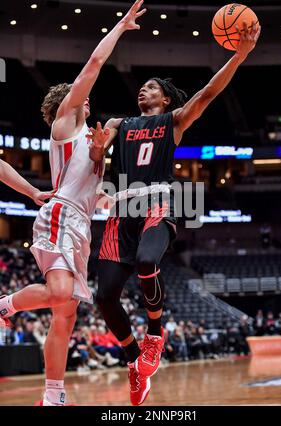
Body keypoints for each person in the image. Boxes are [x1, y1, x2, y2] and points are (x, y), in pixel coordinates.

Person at [88, 21, 261, 405]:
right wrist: (98, 151)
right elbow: (97, 159)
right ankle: (136, 364)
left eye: (150, 87)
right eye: (142, 87)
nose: (142, 90)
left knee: (149, 261)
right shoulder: (119, 123)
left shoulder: (174, 121)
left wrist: (240, 54)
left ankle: (155, 334)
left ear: (165, 100)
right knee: (105, 298)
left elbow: (209, 92)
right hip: (120, 209)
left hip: (157, 202)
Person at [0, 0, 146, 406]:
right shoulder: (66, 125)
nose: (88, 102)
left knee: (65, 314)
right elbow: (95, 63)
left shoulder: (92, 145)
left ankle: (53, 395)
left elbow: (100, 199)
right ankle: (5, 305)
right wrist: (119, 27)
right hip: (61, 215)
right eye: (82, 98)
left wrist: (133, 197)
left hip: (81, 225)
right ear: (69, 103)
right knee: (61, 293)